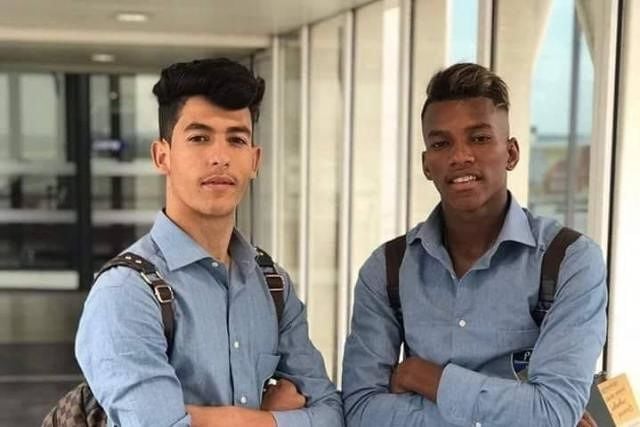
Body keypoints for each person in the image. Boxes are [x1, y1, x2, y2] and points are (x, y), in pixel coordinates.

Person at [75, 58, 343, 427]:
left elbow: (331, 414)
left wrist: (208, 418)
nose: (220, 157)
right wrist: (270, 418)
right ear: (162, 156)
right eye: (199, 138)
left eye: (236, 139)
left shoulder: (272, 285)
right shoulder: (126, 292)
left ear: (254, 160)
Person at [341, 63, 607, 427]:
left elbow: (552, 411)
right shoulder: (387, 270)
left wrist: (427, 378)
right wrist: (516, 412)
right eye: (441, 143)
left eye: (479, 138)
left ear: (511, 153)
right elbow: (361, 411)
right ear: (426, 164)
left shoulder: (569, 262)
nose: (460, 156)